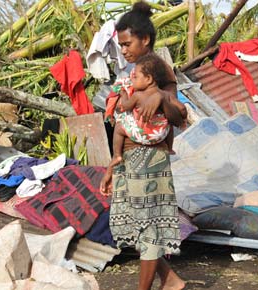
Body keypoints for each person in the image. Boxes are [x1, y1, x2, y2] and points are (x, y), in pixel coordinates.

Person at [99, 2, 187, 290]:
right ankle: (170, 280)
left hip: (151, 160)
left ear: (145, 39)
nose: (123, 50)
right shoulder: (134, 70)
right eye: (121, 45)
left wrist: (161, 96)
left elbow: (179, 116)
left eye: (127, 44)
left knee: (148, 228)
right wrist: (116, 159)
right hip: (131, 158)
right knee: (136, 226)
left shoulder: (158, 68)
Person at [110, 53, 174, 169]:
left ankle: (116, 155)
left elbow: (126, 106)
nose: (132, 79)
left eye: (135, 77)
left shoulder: (138, 95)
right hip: (160, 135)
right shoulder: (164, 94)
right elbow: (180, 111)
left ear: (148, 79)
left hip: (142, 135)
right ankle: (170, 148)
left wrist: (124, 95)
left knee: (119, 127)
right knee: (170, 123)